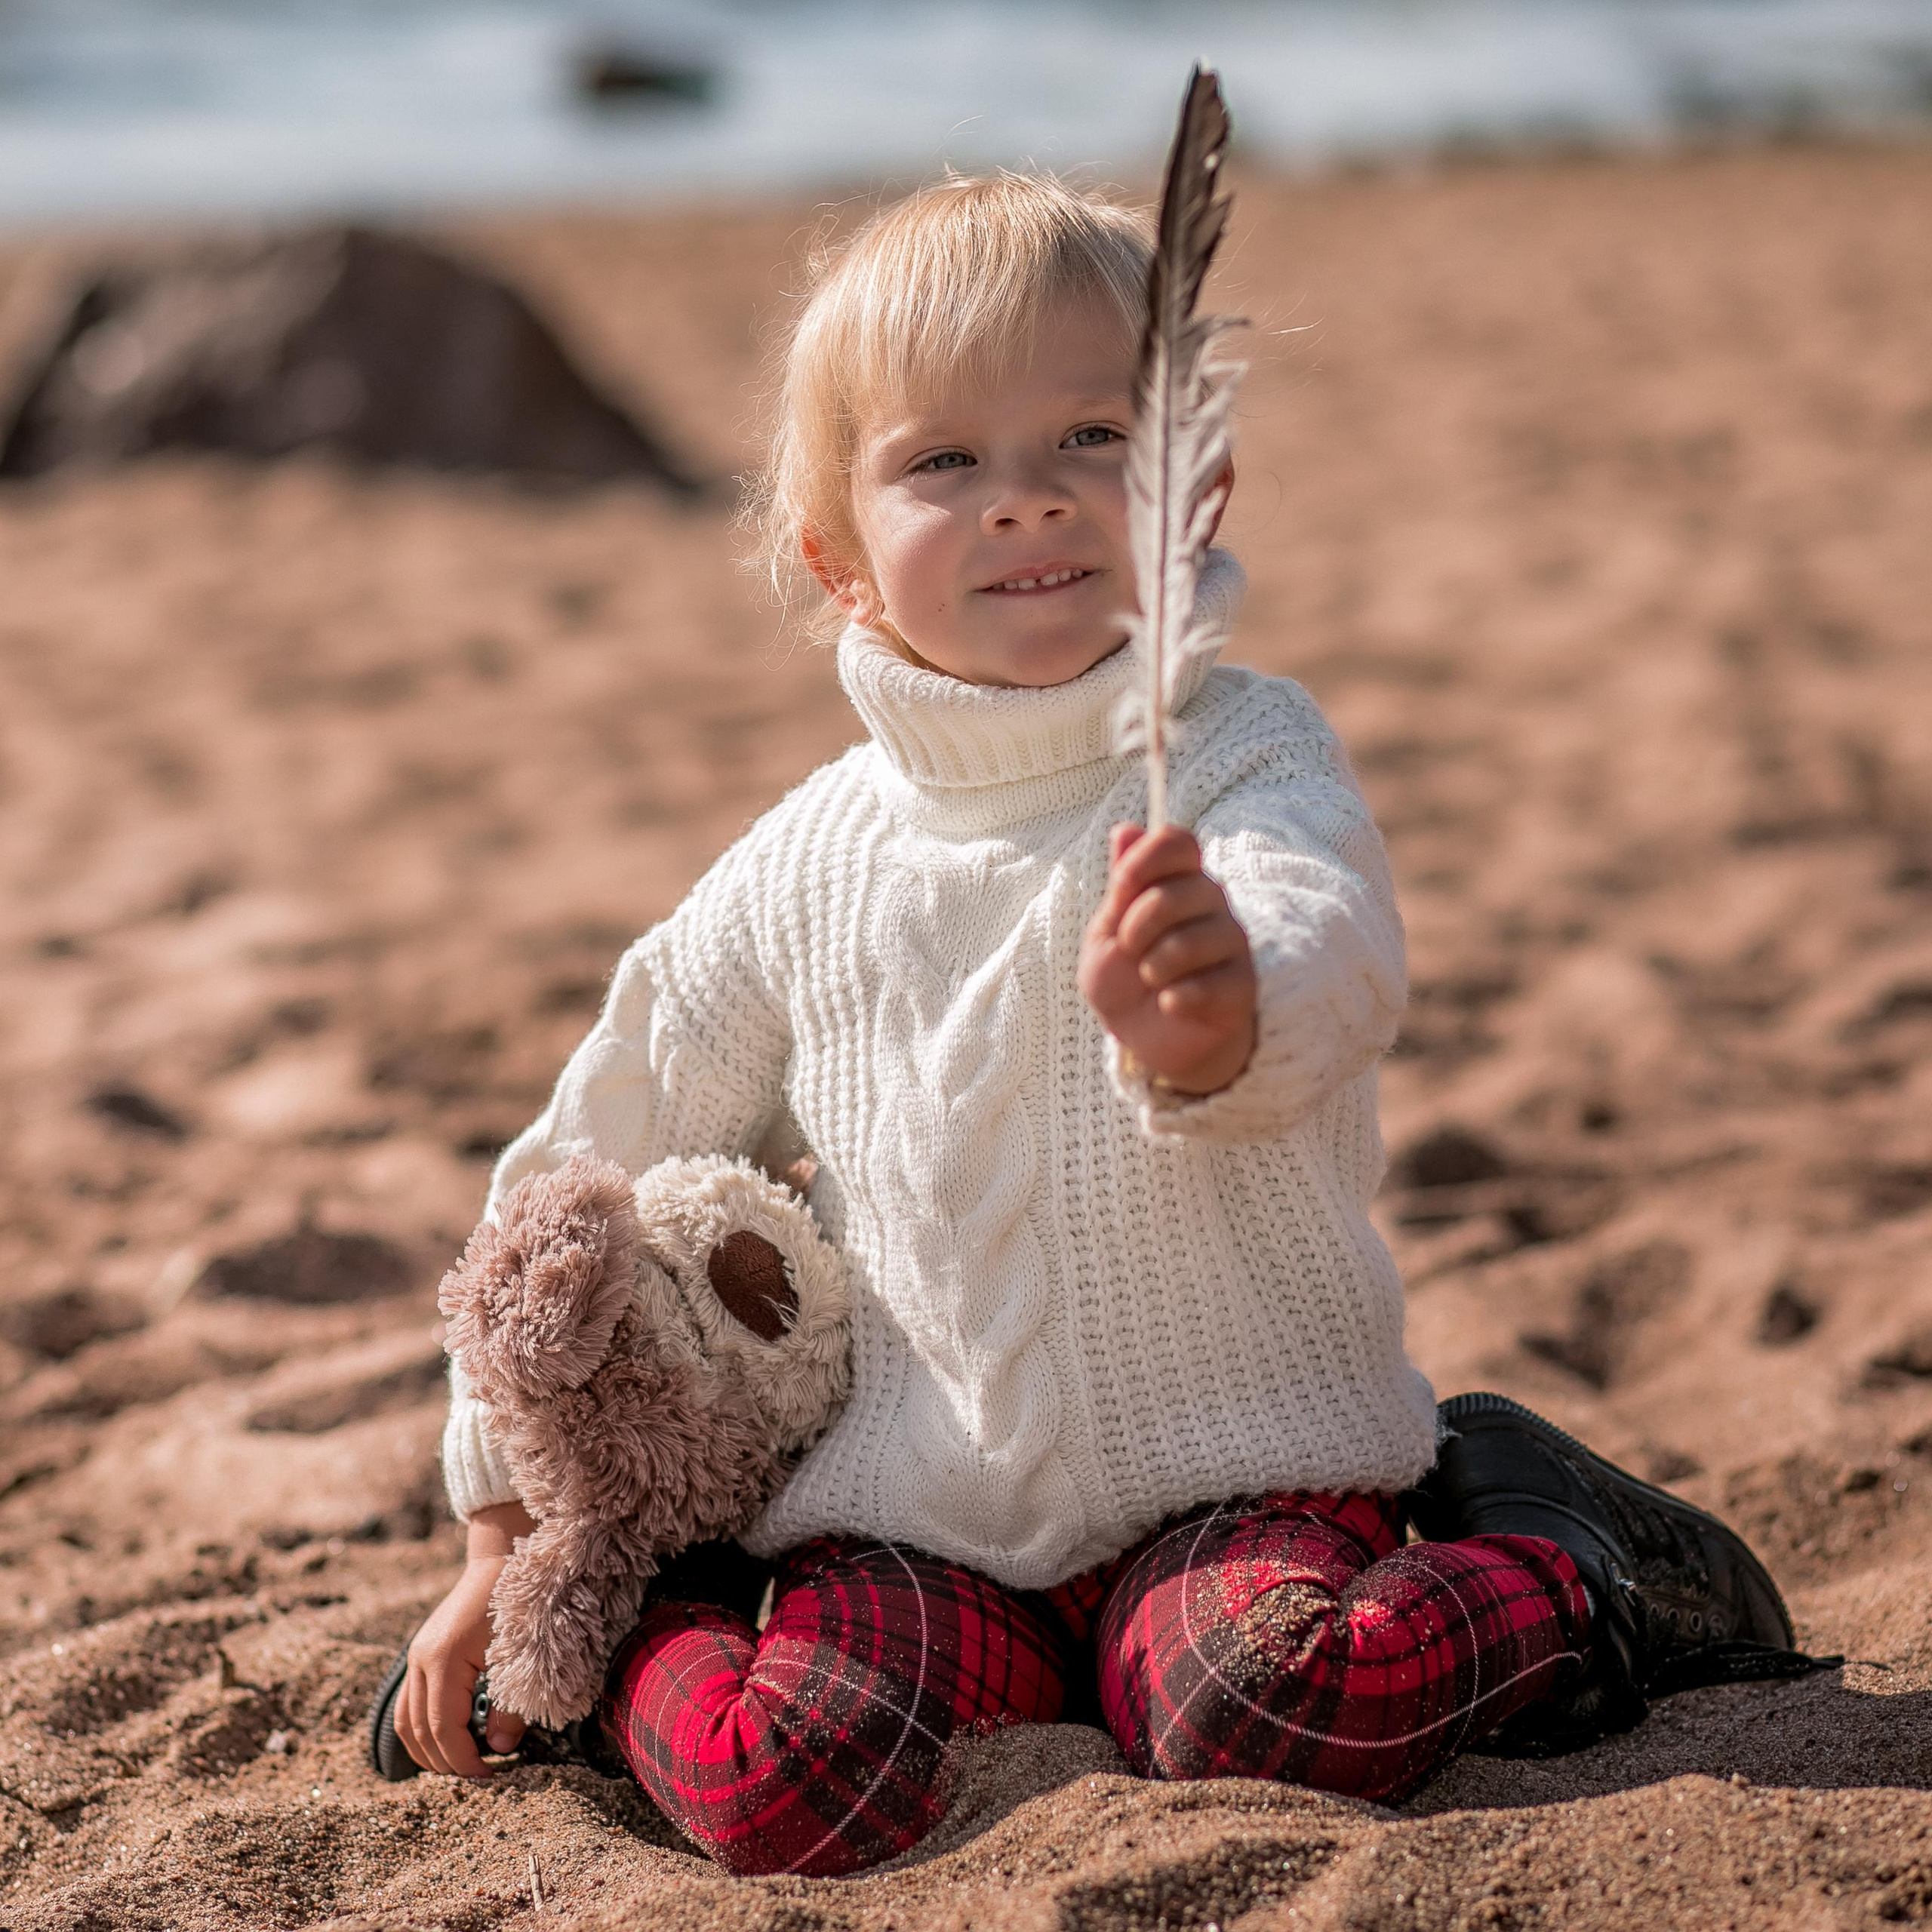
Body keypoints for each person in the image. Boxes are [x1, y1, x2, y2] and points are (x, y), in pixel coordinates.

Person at [389, 172, 1814, 1872]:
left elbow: (1333, 938)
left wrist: (1220, 1015)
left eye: (1086, 436)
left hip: (1240, 1472)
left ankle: (1563, 1559)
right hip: (917, 1513)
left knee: (1265, 1715)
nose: (1024, 503)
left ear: (1190, 481)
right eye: (945, 461)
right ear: (834, 558)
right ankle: (652, 1622)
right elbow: (582, 1164)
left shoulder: (1232, 752)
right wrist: (504, 1533)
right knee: (787, 1776)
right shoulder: (800, 863)